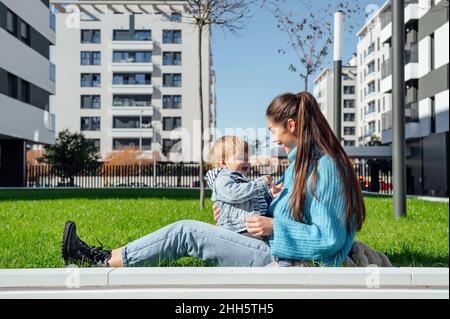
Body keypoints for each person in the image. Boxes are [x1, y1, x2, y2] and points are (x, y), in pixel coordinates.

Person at [61, 92, 365, 268]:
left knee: (186, 231)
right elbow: (287, 210)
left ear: (291, 125)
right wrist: (239, 213)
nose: (272, 137)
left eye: (274, 131)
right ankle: (106, 256)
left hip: (281, 256)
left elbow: (329, 238)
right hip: (270, 244)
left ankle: (101, 259)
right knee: (189, 231)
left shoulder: (324, 168)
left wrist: (275, 226)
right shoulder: (302, 164)